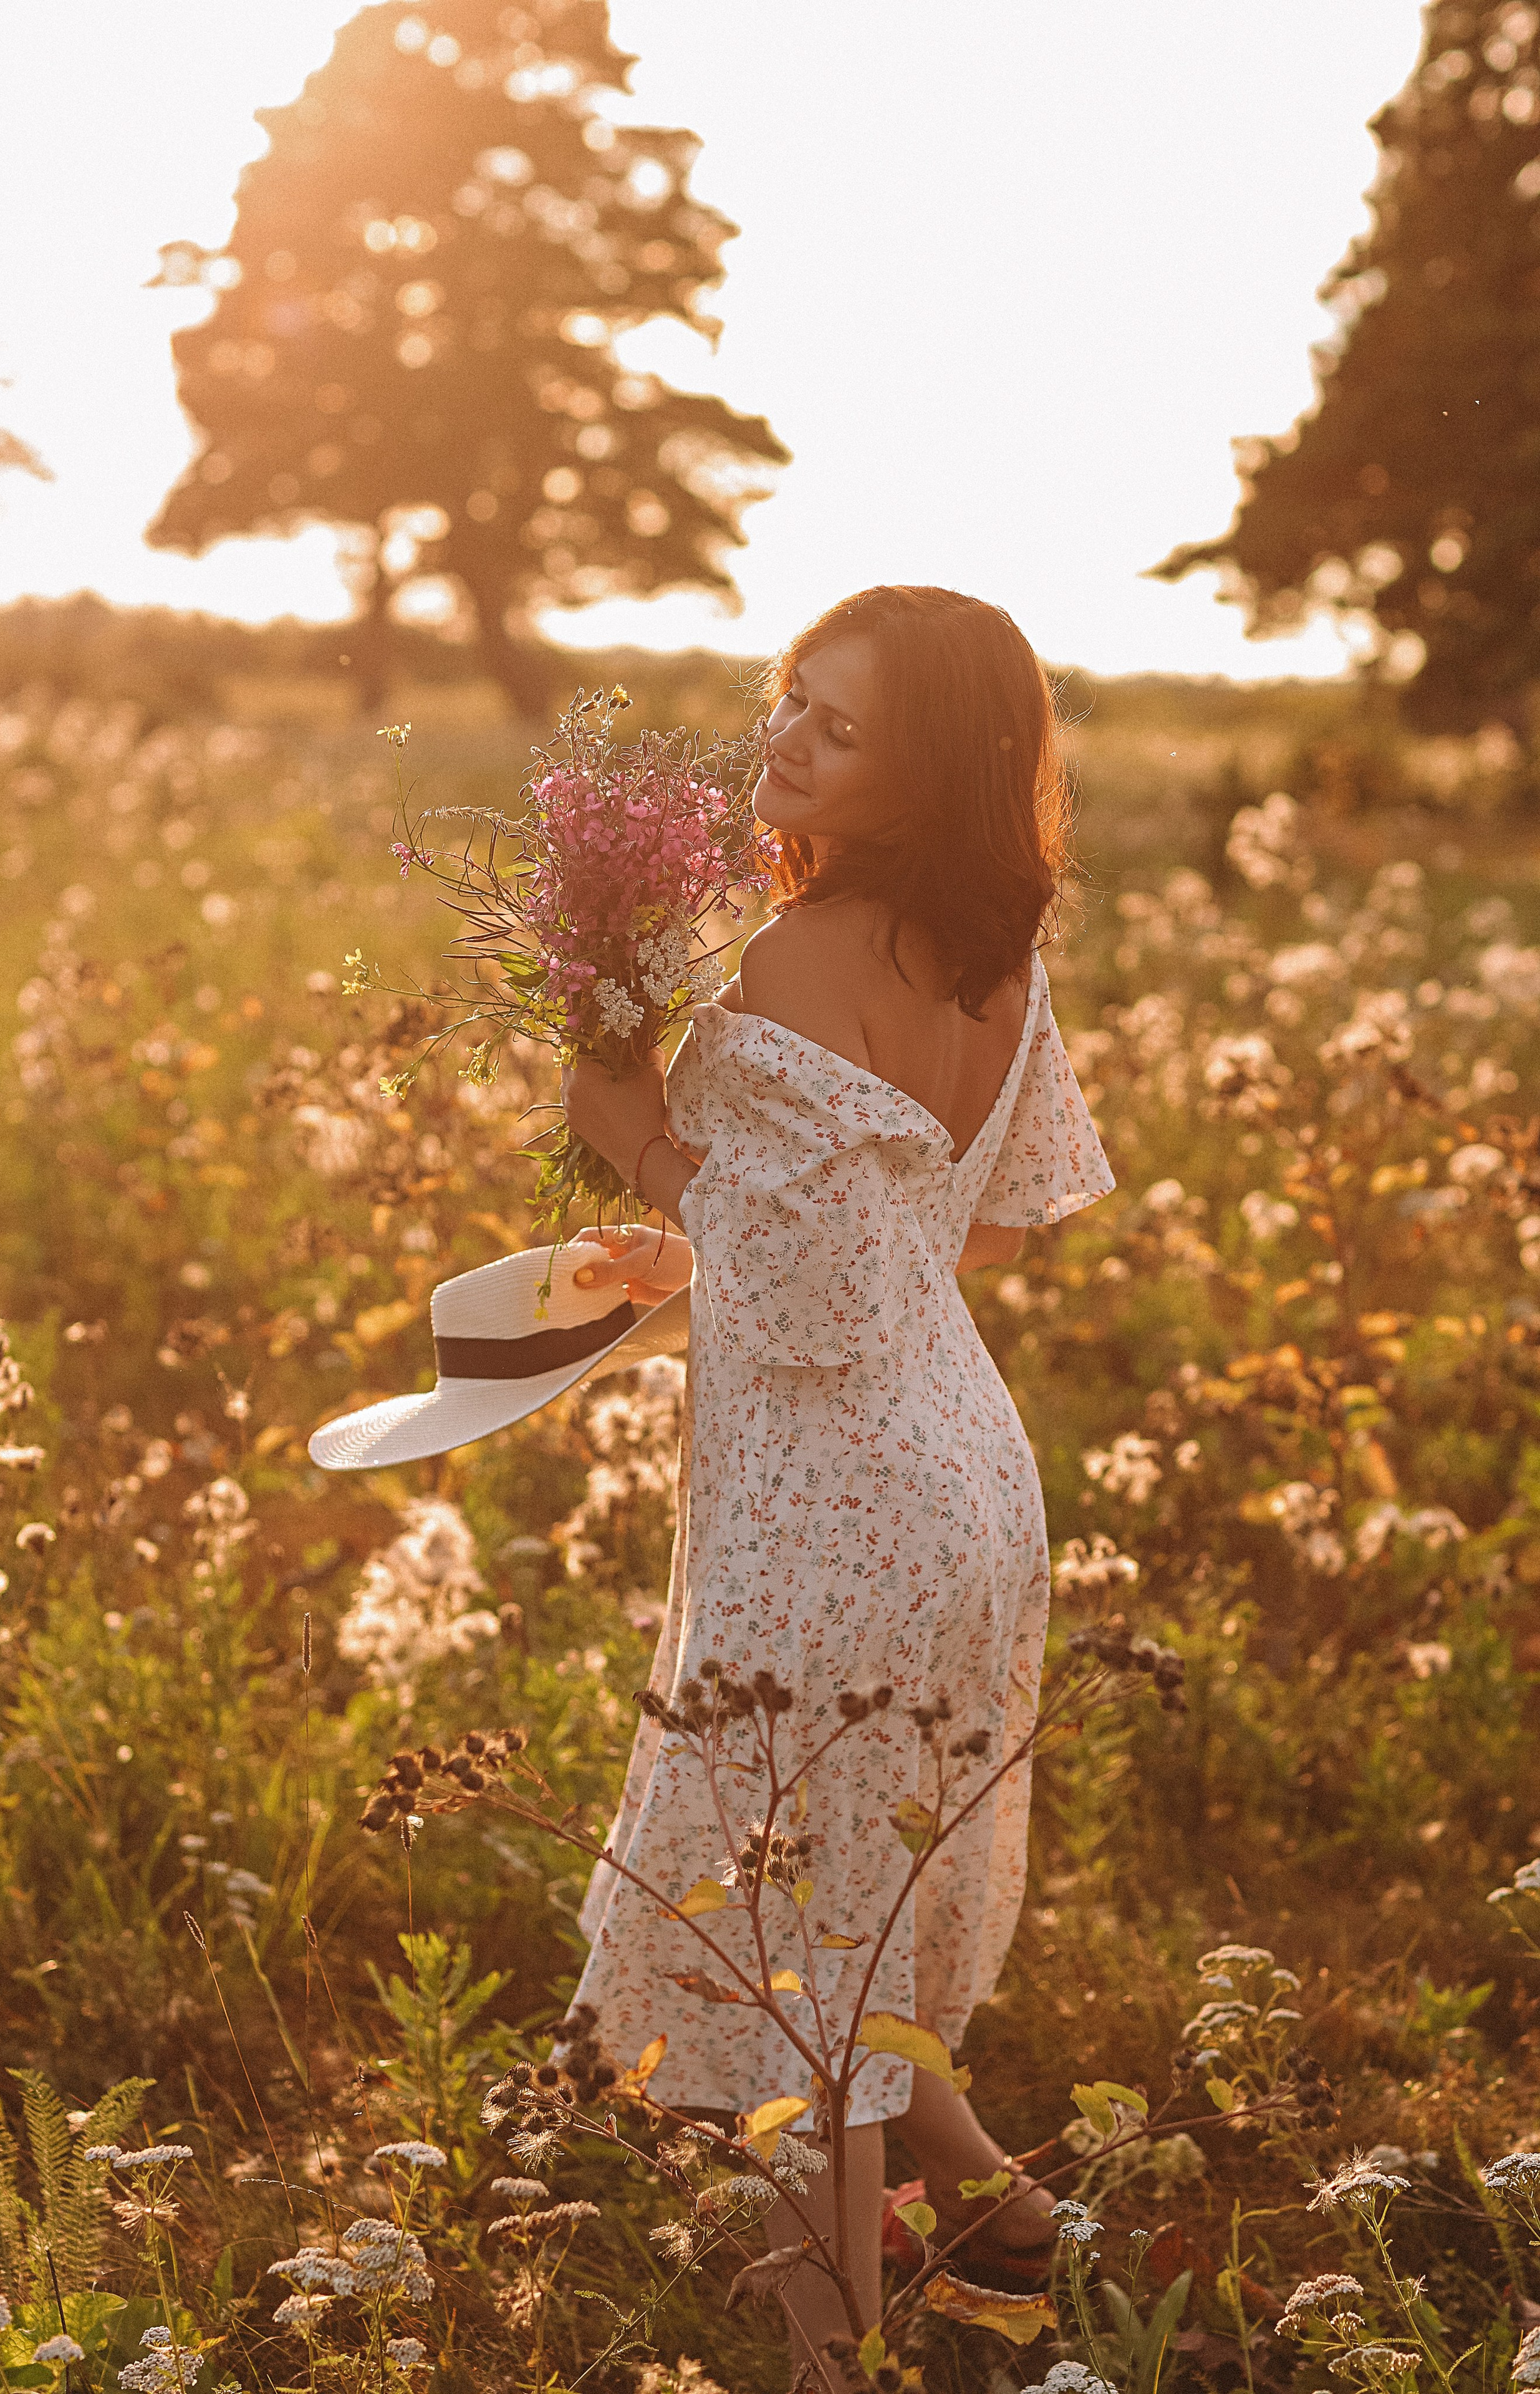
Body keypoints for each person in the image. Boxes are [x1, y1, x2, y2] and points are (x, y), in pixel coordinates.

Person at [559, 584, 1115, 2370]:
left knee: (801, 1985)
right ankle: (1001, 2218)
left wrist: (622, 1106)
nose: (781, 739)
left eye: (838, 726)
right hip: (964, 1482)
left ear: (927, 775)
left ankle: (829, 2362)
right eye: (790, 698)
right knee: (854, 1930)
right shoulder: (998, 962)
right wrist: (738, 1237)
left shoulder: (800, 960)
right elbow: (991, 1233)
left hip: (840, 1513)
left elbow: (802, 1290)